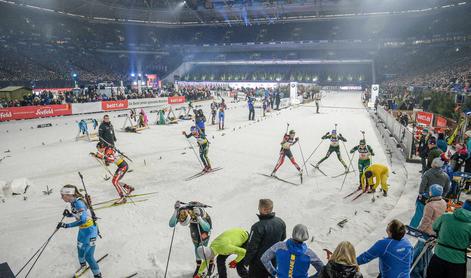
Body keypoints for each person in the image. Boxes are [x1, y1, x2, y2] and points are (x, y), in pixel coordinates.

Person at [57, 185, 102, 278]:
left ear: (69, 194)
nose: (61, 197)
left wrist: (66, 225)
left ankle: (98, 276)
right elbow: (77, 214)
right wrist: (69, 214)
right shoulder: (73, 202)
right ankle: (83, 266)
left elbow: (83, 220)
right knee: (80, 249)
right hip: (83, 230)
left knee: (89, 256)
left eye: (62, 195)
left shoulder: (79, 203)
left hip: (90, 231)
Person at [426, 199, 471, 278]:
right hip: (457, 261)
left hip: (439, 256)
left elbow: (434, 227)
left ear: (462, 206)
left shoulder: (446, 216)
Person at [410, 184, 447, 278]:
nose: (429, 192)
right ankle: (424, 270)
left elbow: (426, 220)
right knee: (427, 252)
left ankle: (413, 270)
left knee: (418, 251)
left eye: (430, 190)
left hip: (427, 232)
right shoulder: (443, 202)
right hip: (436, 232)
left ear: (433, 192)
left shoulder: (430, 205)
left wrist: (419, 231)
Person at [169, 201, 213, 277]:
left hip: (204, 223)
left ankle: (211, 264)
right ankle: (199, 266)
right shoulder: (181, 212)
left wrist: (199, 218)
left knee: (202, 247)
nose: (181, 217)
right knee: (196, 245)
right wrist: (175, 211)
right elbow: (171, 224)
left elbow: (207, 228)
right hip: (194, 224)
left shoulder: (198, 211)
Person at [245, 199, 286, 278]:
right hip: (273, 260)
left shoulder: (257, 227)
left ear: (263, 209)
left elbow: (251, 247)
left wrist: (246, 262)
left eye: (259, 207)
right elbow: (283, 238)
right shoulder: (281, 222)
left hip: (258, 263)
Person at [409, 157, 450, 228]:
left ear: (434, 164)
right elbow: (447, 188)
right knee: (432, 217)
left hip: (426, 197)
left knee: (419, 214)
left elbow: (423, 185)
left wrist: (420, 193)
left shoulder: (427, 173)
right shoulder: (446, 176)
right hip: (437, 199)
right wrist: (442, 195)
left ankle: (412, 227)